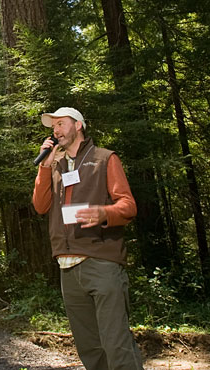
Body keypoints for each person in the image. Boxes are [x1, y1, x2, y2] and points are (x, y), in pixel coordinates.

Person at [32, 107, 143, 370]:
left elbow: (128, 206)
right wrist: (44, 169)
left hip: (101, 261)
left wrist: (104, 213)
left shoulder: (104, 159)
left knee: (116, 343)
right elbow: (40, 206)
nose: (55, 131)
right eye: (53, 127)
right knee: (89, 347)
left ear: (78, 125)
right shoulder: (55, 166)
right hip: (67, 268)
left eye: (61, 124)